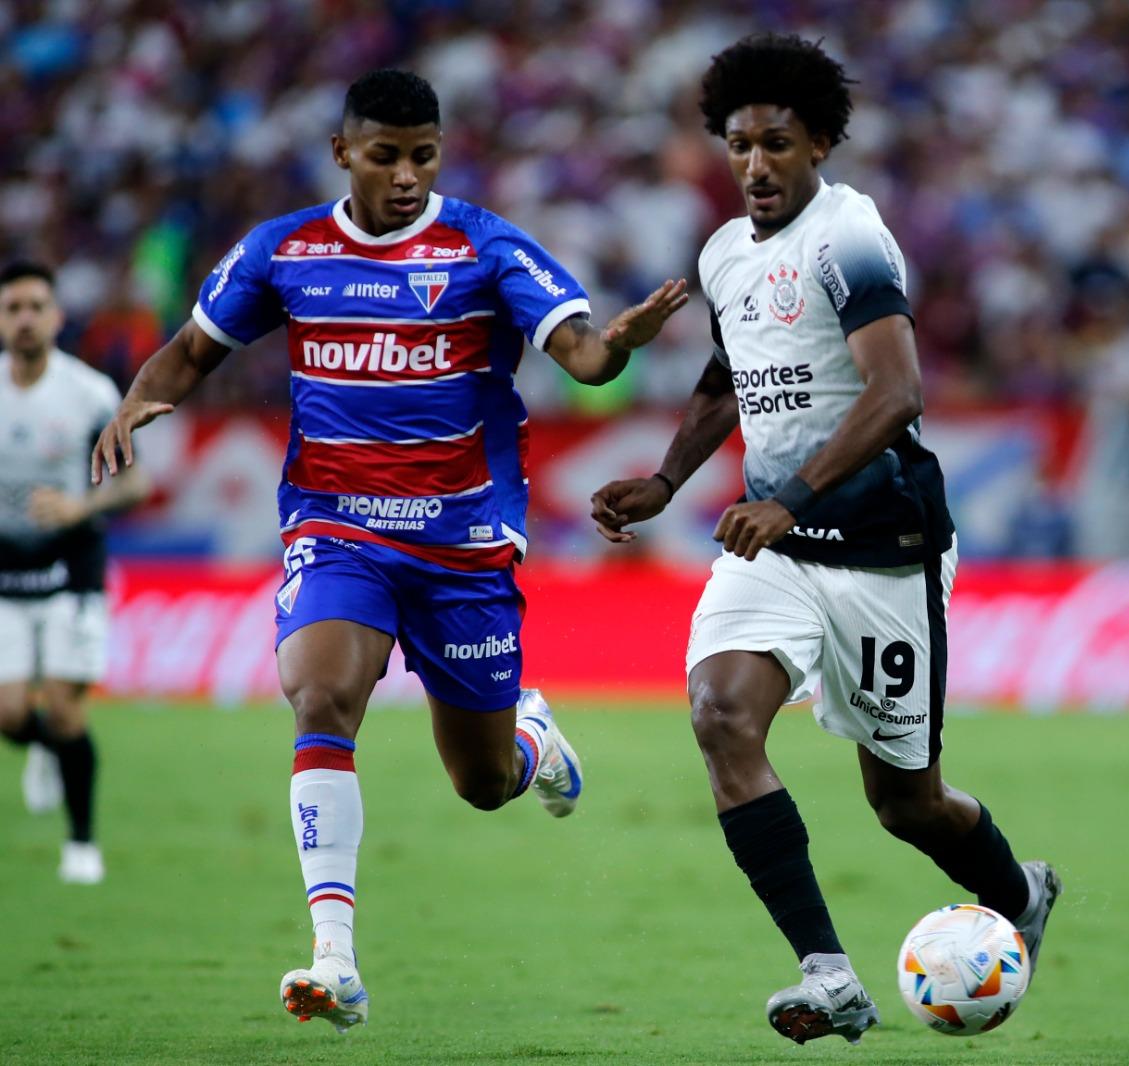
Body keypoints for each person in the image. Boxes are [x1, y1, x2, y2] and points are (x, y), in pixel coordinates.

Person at [90, 70, 687, 1033]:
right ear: (343, 153)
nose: (407, 175)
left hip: (462, 542)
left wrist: (620, 345)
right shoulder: (283, 250)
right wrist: (134, 403)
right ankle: (336, 960)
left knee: (482, 785)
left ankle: (530, 739)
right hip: (336, 527)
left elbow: (581, 353)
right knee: (320, 695)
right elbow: (194, 351)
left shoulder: (485, 246)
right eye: (386, 156)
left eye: (424, 156)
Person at [590, 35, 1060, 1046]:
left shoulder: (851, 237)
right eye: (739, 145)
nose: (755, 164)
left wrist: (792, 497)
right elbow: (730, 377)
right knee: (720, 714)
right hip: (782, 555)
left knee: (906, 804)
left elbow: (898, 392)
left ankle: (1020, 892)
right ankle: (829, 974)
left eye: (777, 143)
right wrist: (667, 480)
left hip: (886, 551)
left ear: (820, 145)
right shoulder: (723, 252)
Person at [0, 260, 150, 886]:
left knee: (64, 709)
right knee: (10, 715)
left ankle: (82, 843)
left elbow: (135, 483)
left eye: (36, 307)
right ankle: (42, 748)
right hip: (7, 573)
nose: (25, 319)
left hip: (72, 568)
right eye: (13, 308)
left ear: (57, 317)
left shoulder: (89, 394)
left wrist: (78, 507)